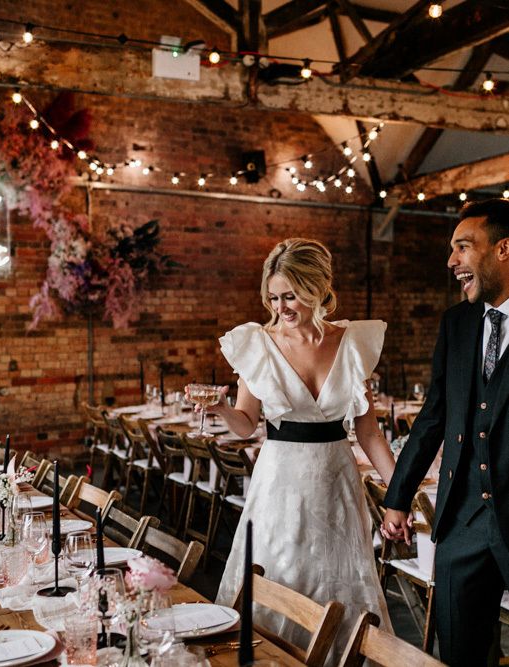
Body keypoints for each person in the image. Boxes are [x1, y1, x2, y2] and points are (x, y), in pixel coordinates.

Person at [210, 238, 396, 664]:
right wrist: (220, 407)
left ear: (316, 289)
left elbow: (369, 434)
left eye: (290, 295)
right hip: (280, 486)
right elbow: (244, 425)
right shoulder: (256, 344)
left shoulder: (350, 342)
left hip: (337, 482)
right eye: (273, 297)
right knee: (279, 577)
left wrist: (399, 495)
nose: (280, 307)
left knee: (340, 582)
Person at [383, 199, 509, 666]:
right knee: (460, 652)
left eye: (462, 247)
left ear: (503, 248)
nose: (451, 261)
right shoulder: (456, 324)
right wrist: (398, 496)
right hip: (461, 522)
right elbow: (433, 416)